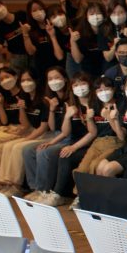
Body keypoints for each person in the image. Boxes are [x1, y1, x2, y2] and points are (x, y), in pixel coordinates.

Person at [35, 73, 99, 206]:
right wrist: (67, 116)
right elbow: (65, 131)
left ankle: (59, 194)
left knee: (66, 155)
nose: (79, 88)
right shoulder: (71, 104)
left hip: (92, 143)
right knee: (54, 152)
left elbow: (93, 133)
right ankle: (47, 191)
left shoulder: (96, 103)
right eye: (76, 85)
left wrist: (73, 147)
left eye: (82, 84)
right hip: (74, 141)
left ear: (89, 85)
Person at [22, 70, 70, 198]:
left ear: (65, 79)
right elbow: (53, 127)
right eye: (50, 79)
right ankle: (34, 187)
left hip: (70, 138)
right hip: (57, 135)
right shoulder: (51, 99)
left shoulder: (71, 98)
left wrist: (51, 142)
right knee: (28, 150)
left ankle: (43, 190)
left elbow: (67, 132)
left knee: (43, 151)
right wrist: (52, 110)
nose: (54, 81)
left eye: (57, 77)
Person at [69, 2, 111, 77]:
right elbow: (78, 59)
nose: (95, 16)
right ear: (86, 16)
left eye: (98, 13)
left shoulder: (109, 31)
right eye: (91, 14)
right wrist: (72, 41)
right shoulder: (80, 33)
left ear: (103, 15)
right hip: (88, 72)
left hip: (107, 70)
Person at [26, 0, 65, 74]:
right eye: (34, 10)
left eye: (40, 9)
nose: (38, 12)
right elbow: (31, 52)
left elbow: (60, 56)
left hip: (58, 66)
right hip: (40, 68)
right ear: (30, 14)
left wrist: (52, 36)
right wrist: (25, 35)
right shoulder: (31, 31)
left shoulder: (54, 26)